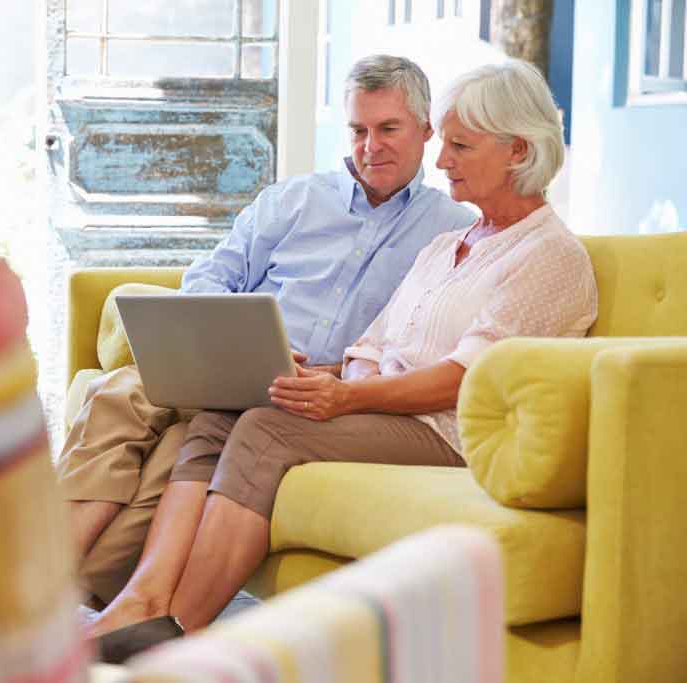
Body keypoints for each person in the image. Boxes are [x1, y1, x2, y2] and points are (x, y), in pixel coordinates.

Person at [87, 58, 599, 657]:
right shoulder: (447, 244)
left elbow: (468, 378)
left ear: (518, 151)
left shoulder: (549, 254)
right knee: (225, 414)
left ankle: (179, 635)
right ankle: (141, 602)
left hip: (447, 432)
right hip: (391, 412)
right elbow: (376, 346)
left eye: (459, 145)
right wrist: (312, 376)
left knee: (267, 430)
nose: (441, 161)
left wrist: (348, 396)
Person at [57, 55, 475, 607]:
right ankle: (43, 583)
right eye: (358, 130)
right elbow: (211, 273)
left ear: (425, 130)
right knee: (121, 395)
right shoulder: (294, 201)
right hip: (226, 365)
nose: (371, 145)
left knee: (178, 449)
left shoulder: (452, 231)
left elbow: (415, 342)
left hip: (308, 392)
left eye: (388, 129)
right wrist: (223, 336)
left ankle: (55, 601)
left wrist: (332, 374)